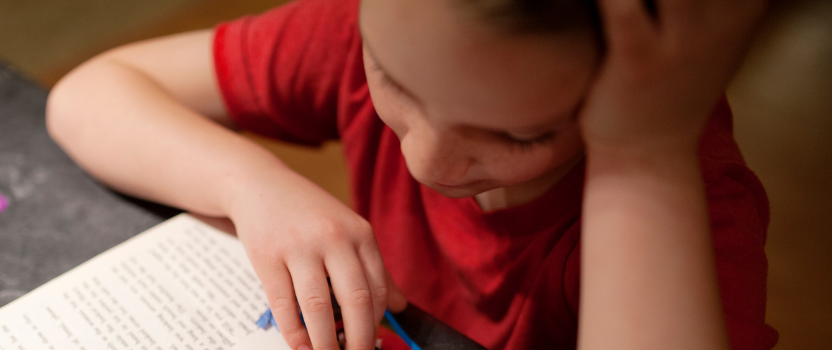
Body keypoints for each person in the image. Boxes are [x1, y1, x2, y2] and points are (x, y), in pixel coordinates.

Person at [46, 0, 777, 348]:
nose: (425, 161)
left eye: (518, 135)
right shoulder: (390, 23)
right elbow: (89, 98)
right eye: (393, 81)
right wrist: (252, 185)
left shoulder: (693, 209)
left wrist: (645, 155)